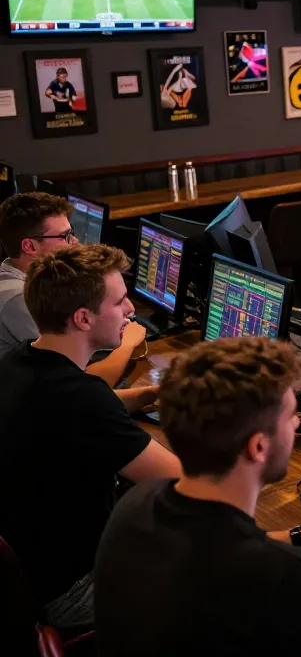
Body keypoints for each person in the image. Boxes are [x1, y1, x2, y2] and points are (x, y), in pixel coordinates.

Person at [94, 337, 301, 657]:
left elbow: (218, 549)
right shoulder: (282, 577)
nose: (298, 423)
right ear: (258, 446)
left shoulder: (136, 504)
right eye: (290, 417)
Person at [0, 245, 182, 633]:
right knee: (224, 576)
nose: (131, 310)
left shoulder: (19, 360)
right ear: (83, 318)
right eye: (120, 302)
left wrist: (147, 395)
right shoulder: (81, 400)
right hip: (73, 594)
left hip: (32, 576)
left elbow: (84, 404)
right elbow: (183, 479)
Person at [0, 193, 150, 391]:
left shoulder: (13, 275)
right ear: (30, 246)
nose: (75, 242)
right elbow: (79, 385)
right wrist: (126, 345)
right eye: (65, 236)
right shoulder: (18, 298)